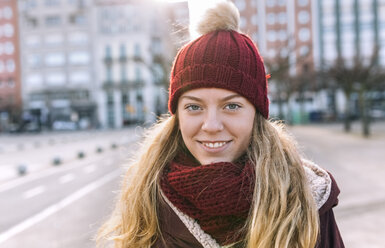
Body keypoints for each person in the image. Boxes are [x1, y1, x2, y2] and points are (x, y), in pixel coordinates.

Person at [97, 1, 344, 247]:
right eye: (194, 107)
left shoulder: (306, 202)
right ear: (177, 116)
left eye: (231, 106)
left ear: (256, 114)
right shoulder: (147, 204)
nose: (211, 125)